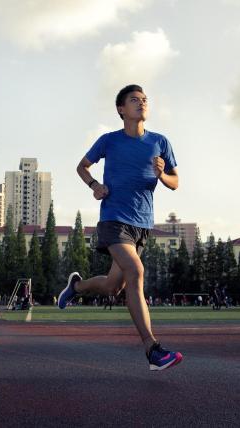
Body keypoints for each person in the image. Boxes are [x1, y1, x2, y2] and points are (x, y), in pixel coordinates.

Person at [57, 84, 181, 371]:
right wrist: (94, 185)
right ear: (121, 109)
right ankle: (152, 349)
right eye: (134, 100)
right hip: (113, 218)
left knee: (115, 286)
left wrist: (163, 176)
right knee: (136, 271)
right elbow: (82, 166)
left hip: (142, 225)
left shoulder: (160, 142)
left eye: (145, 100)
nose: (142, 103)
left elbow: (176, 182)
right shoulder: (109, 140)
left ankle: (76, 287)